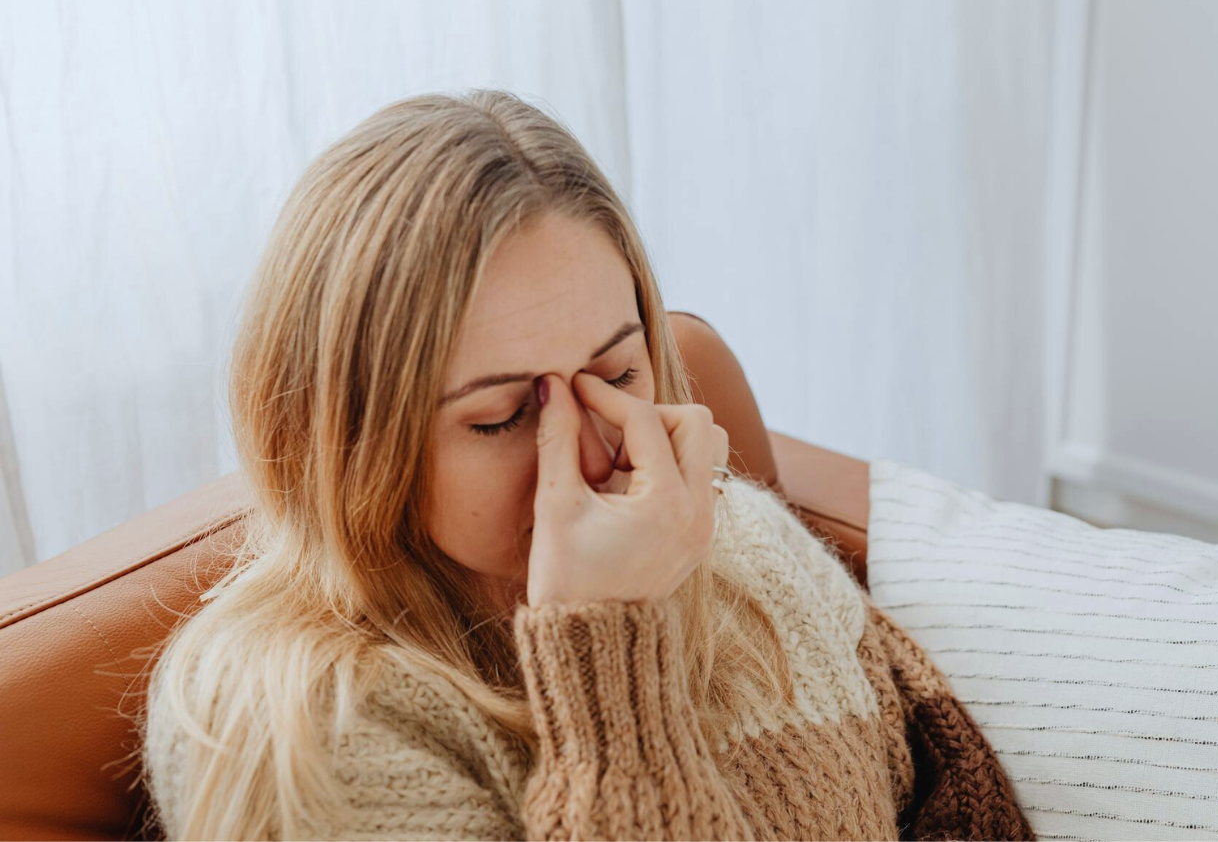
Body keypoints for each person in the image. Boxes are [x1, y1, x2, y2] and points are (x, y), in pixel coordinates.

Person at [139, 89, 1034, 841]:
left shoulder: (741, 540)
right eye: (500, 417)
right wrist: (607, 647)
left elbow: (957, 794)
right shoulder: (290, 729)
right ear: (349, 442)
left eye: (617, 376)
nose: (593, 453)